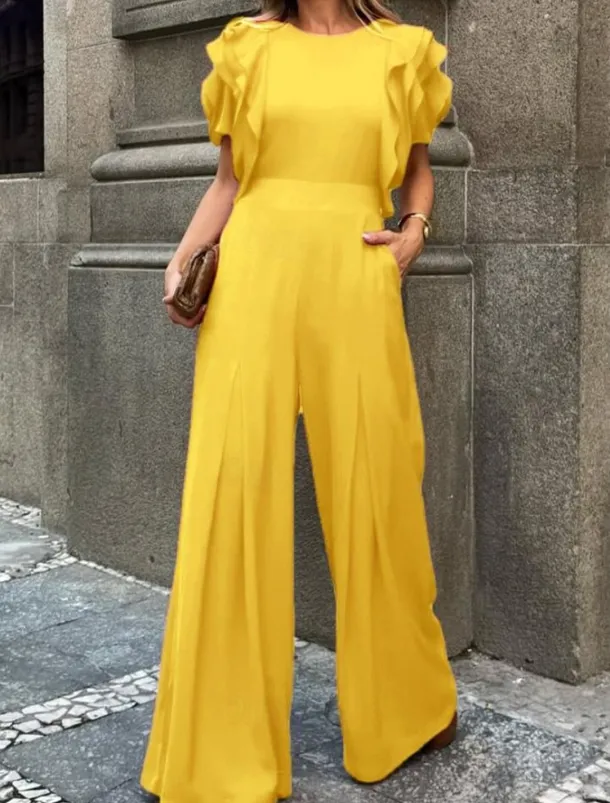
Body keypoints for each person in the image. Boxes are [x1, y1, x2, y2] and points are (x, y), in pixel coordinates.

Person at [140, 0, 458, 799]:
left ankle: (409, 706)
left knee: (379, 488)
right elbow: (229, 182)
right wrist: (181, 263)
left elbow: (417, 166)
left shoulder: (402, 50)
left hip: (356, 275)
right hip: (252, 276)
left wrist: (414, 231)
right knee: (232, 491)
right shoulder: (246, 48)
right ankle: (221, 751)